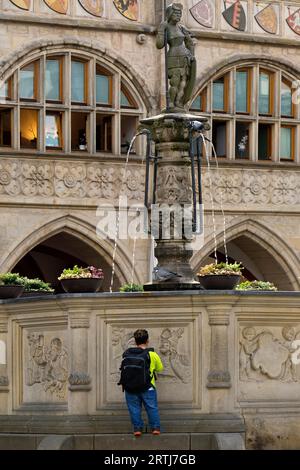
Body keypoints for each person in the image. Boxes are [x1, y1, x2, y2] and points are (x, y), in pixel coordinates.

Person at [121, 329, 164, 437]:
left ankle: (137, 429)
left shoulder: (127, 354)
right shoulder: (152, 354)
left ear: (135, 341)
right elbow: (160, 368)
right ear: (147, 340)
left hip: (130, 387)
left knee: (134, 409)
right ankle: (155, 428)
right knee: (151, 407)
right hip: (148, 387)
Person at [156, 2, 196, 111]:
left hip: (185, 56)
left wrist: (192, 55)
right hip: (173, 55)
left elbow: (189, 42)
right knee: (175, 81)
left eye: (180, 13)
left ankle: (179, 102)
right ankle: (171, 103)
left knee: (184, 81)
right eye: (176, 13)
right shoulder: (165, 25)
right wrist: (161, 31)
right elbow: (159, 45)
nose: (179, 15)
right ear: (170, 13)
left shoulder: (181, 27)